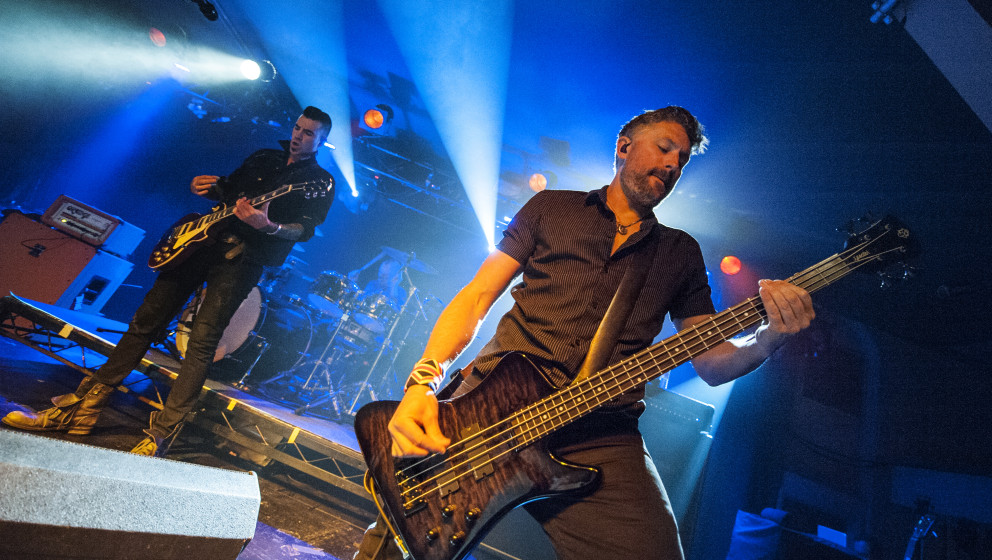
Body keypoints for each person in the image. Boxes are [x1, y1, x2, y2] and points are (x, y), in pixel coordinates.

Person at [353, 106, 815, 560]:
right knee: (408, 531)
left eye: (683, 159)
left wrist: (769, 337)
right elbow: (477, 296)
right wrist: (423, 382)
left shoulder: (680, 253)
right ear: (624, 147)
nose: (673, 163)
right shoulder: (551, 207)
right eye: (665, 147)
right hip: (492, 402)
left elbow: (713, 364)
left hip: (600, 432)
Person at [2, 106, 335, 458]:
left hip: (241, 259)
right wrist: (209, 187)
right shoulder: (265, 157)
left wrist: (268, 226)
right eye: (298, 128)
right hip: (199, 244)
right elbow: (227, 191)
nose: (299, 136)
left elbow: (305, 229)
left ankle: (160, 434)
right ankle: (80, 408)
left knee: (202, 342)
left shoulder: (318, 182)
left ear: (322, 141)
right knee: (144, 323)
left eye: (309, 133)